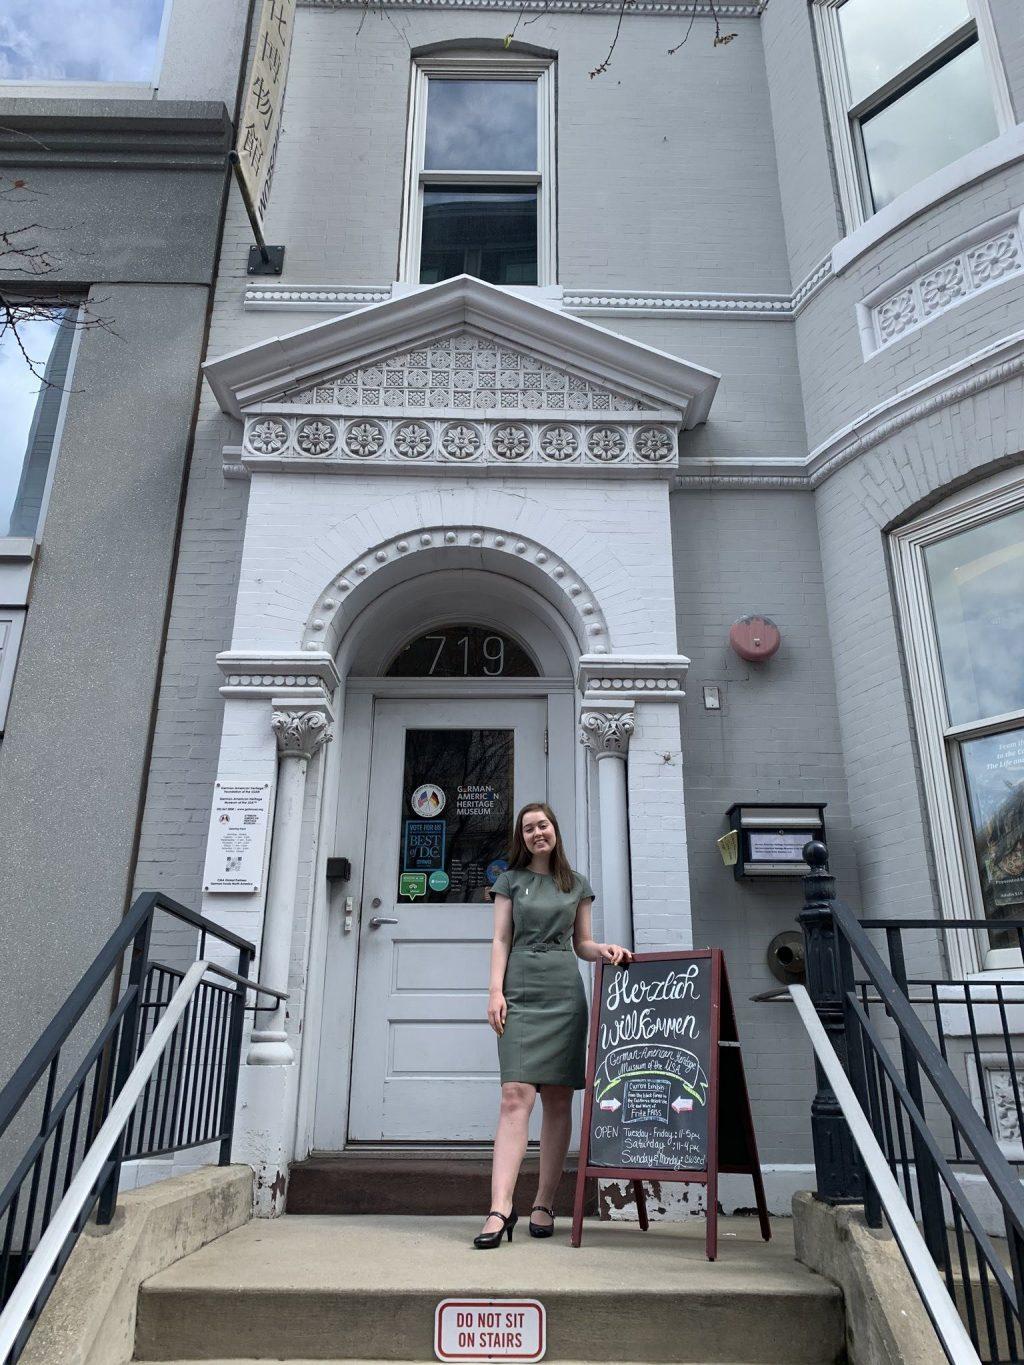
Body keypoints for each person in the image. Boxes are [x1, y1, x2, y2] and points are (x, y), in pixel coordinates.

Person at [474, 802, 632, 1249]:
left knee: (559, 1099)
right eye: (527, 828)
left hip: (564, 994)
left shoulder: (575, 884)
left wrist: (604, 950)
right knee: (513, 1096)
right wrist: (494, 992)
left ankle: (544, 1201)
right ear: (521, 837)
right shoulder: (509, 881)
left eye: (542, 825)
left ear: (554, 830)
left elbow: (580, 943)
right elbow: (501, 938)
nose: (536, 833)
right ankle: (500, 1207)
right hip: (520, 992)